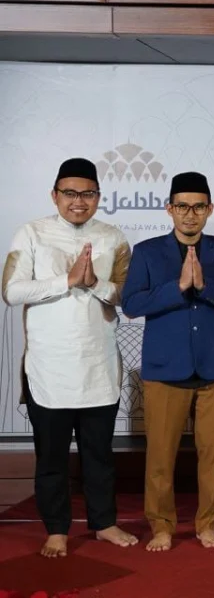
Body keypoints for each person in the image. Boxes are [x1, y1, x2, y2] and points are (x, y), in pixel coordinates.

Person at [1, 157, 137, 557]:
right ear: (55, 195)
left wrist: (93, 282)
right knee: (51, 459)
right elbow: (11, 291)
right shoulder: (32, 233)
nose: (79, 202)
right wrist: (67, 280)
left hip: (98, 365)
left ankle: (104, 523)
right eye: (70, 193)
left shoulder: (113, 237)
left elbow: (125, 298)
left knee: (99, 456)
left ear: (98, 197)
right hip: (48, 366)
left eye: (88, 194)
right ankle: (57, 529)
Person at [122, 172, 214, 551]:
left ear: (209, 209)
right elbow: (131, 305)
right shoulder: (146, 251)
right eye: (182, 206)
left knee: (213, 456)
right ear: (169, 208)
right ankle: (161, 526)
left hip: (213, 366)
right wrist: (175, 288)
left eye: (197, 207)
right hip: (164, 367)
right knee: (160, 455)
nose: (189, 214)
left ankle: (207, 524)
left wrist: (206, 287)